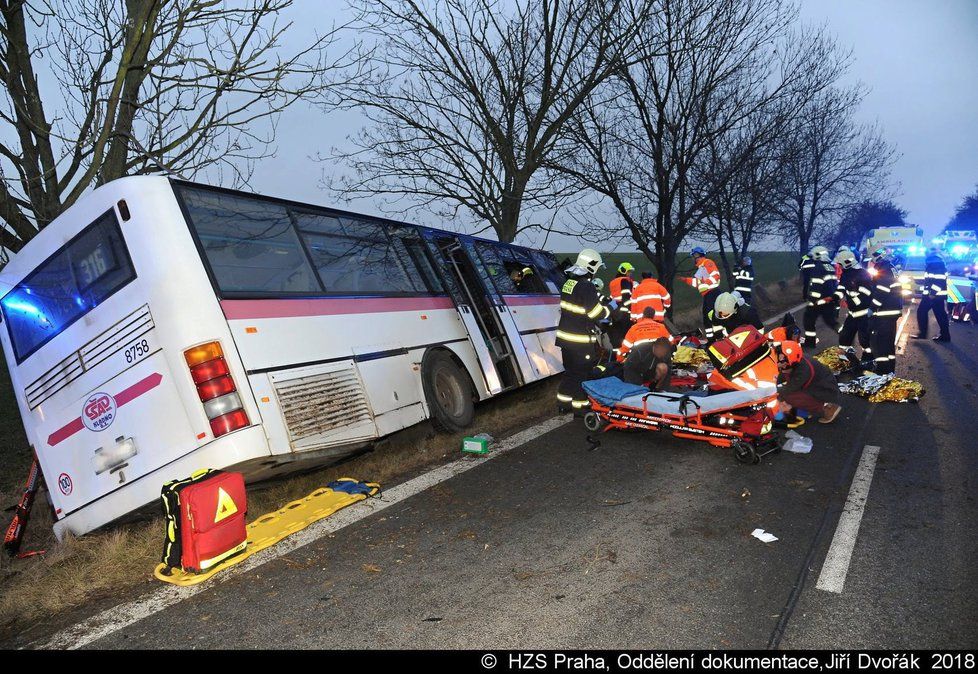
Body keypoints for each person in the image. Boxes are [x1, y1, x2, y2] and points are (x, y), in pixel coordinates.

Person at [556, 249, 610, 412]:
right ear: (591, 266)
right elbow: (594, 313)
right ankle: (581, 408)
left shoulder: (569, 283)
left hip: (565, 339)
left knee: (570, 373)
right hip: (580, 341)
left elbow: (578, 305)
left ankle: (563, 405)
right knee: (582, 374)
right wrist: (609, 310)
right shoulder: (587, 286)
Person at [776, 340, 843, 425]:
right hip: (819, 385)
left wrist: (774, 393)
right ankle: (808, 408)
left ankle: (828, 408)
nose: (780, 363)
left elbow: (790, 388)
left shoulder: (803, 371)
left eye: (783, 362)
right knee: (783, 391)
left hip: (825, 391)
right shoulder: (795, 359)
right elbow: (781, 376)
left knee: (788, 396)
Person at [868, 248, 903, 374]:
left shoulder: (884, 268)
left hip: (886, 310)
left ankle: (882, 370)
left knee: (881, 341)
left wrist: (872, 308)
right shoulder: (889, 266)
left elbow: (882, 290)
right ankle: (889, 369)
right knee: (888, 342)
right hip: (892, 308)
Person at [835, 249, 873, 362]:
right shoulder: (846, 274)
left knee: (865, 340)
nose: (839, 266)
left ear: (847, 262)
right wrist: (835, 297)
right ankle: (844, 357)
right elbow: (841, 288)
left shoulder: (863, 274)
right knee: (844, 337)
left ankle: (869, 360)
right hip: (852, 313)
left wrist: (854, 294)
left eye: (841, 264)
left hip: (863, 314)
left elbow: (867, 294)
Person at [802, 246, 839, 348]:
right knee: (831, 322)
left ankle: (810, 343)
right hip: (829, 300)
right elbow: (833, 284)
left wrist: (813, 300)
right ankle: (845, 335)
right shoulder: (830, 266)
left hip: (818, 301)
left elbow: (816, 285)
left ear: (818, 255)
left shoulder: (818, 267)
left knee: (808, 320)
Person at [680, 247, 722, 333]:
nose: (693, 258)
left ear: (697, 255)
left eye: (693, 256)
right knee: (707, 317)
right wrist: (685, 279)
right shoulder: (701, 268)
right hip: (708, 294)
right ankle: (711, 339)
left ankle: (718, 336)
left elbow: (716, 275)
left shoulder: (707, 263)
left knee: (712, 316)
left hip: (713, 293)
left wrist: (706, 284)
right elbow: (697, 282)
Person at [914, 247, 951, 343]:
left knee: (921, 312)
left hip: (933, 296)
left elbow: (939, 280)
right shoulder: (935, 263)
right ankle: (945, 336)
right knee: (940, 315)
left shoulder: (935, 263)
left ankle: (922, 333)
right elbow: (933, 279)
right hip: (937, 295)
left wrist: (933, 293)